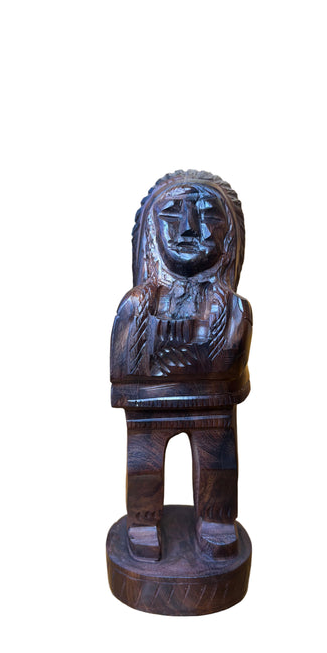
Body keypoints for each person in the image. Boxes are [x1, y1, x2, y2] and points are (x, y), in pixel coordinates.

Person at [110, 170, 252, 561]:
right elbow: (123, 371)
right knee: (144, 464)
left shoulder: (235, 310)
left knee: (218, 463)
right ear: (151, 232)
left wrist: (170, 360)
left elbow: (230, 371)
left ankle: (216, 519)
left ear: (230, 235)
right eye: (172, 213)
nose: (189, 227)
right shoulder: (135, 307)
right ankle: (142, 521)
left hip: (212, 407)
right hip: (148, 407)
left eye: (208, 215)